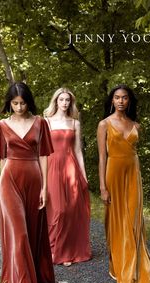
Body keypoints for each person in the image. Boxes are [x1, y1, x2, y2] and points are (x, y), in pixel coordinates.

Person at [0, 82, 57, 283]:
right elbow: (2, 159)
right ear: (9, 103)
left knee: (32, 232)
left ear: (29, 101)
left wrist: (45, 187)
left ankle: (33, 278)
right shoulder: (2, 125)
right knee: (18, 235)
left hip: (33, 181)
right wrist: (2, 189)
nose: (19, 107)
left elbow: (43, 156)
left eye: (23, 103)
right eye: (15, 103)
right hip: (9, 182)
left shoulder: (40, 122)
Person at [97, 84, 150, 283]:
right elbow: (102, 158)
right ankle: (120, 267)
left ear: (129, 101)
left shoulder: (137, 126)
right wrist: (103, 187)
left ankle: (139, 273)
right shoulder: (104, 124)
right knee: (115, 222)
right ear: (112, 100)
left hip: (133, 174)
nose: (121, 101)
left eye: (124, 97)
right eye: (117, 97)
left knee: (134, 221)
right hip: (113, 174)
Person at [44, 88, 91, 266]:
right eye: (61, 100)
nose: (64, 103)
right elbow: (42, 151)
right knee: (57, 209)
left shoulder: (74, 123)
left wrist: (84, 175)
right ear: (55, 101)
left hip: (71, 167)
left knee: (70, 210)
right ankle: (52, 249)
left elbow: (78, 151)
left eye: (67, 100)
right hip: (52, 166)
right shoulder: (46, 122)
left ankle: (66, 251)